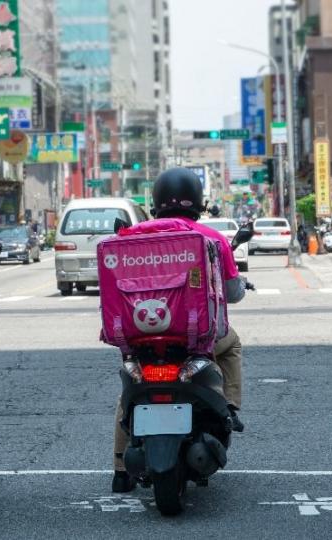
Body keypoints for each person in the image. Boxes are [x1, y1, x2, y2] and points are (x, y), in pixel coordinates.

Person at [111, 168, 248, 493]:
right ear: (198, 202)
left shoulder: (130, 236)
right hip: (197, 339)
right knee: (233, 345)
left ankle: (119, 469)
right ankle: (230, 409)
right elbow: (231, 294)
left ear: (156, 201)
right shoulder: (211, 238)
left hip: (142, 338)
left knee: (129, 389)